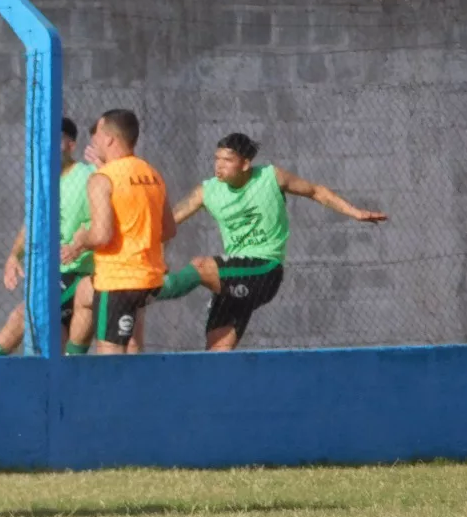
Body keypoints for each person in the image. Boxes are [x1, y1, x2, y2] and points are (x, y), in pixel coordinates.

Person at [157, 132, 389, 350]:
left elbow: (315, 191)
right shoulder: (207, 191)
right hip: (234, 274)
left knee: (200, 266)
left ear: (245, 164)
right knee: (217, 349)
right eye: (217, 158)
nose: (219, 165)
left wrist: (355, 213)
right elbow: (167, 225)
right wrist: (156, 258)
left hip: (264, 269)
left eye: (227, 160)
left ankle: (153, 291)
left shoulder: (270, 177)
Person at [0, 118, 95, 356]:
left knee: (22, 317)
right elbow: (31, 223)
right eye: (44, 139)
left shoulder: (89, 176)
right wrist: (14, 255)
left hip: (83, 274)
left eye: (56, 139)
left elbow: (104, 220)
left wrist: (79, 243)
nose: (48, 145)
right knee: (53, 347)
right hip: (56, 273)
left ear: (71, 146)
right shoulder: (44, 183)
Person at [76, 110, 174, 355]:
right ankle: (72, 357)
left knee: (109, 358)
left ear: (109, 138)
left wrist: (81, 240)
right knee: (85, 293)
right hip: (149, 279)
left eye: (97, 135)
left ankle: (99, 388)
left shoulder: (102, 179)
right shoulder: (152, 174)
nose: (93, 141)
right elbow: (169, 229)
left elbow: (101, 235)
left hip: (118, 281)